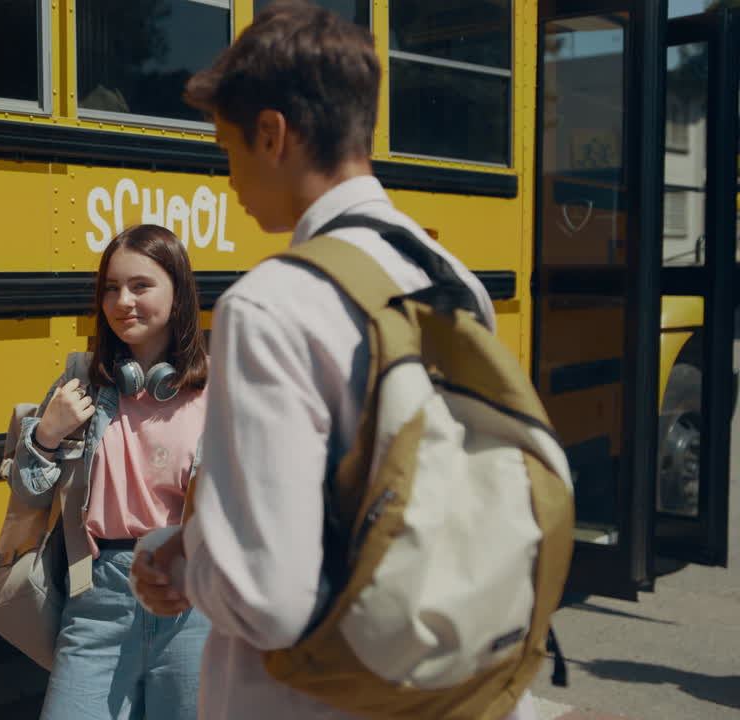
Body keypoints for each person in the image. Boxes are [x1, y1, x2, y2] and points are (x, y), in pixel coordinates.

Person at [130, 3, 538, 719]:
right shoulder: (451, 278)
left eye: (228, 149)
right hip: (429, 684)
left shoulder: (271, 305)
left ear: (272, 134)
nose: (227, 179)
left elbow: (269, 598)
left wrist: (184, 565)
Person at [10, 224, 211, 720]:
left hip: (193, 602)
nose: (123, 301)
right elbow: (25, 492)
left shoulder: (219, 389)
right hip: (97, 594)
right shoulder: (82, 379)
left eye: (141, 286)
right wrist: (45, 437)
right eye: (111, 288)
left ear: (178, 292)